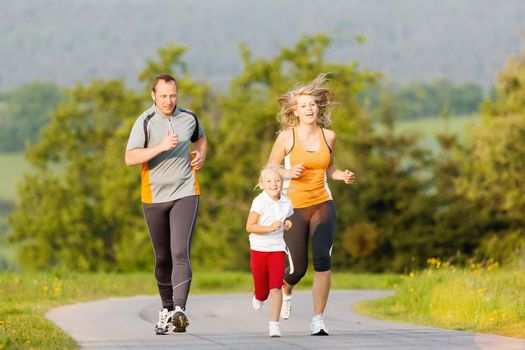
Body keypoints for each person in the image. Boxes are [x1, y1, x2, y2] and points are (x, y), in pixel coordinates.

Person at [266, 73, 355, 336]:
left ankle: (318, 319)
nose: (309, 109)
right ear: (294, 110)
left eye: (313, 105)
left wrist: (341, 175)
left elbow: (329, 168)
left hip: (322, 202)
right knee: (297, 270)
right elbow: (271, 168)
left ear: (318, 108)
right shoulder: (286, 137)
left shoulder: (329, 136)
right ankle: (287, 286)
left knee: (323, 260)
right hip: (293, 207)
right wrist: (287, 173)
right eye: (303, 105)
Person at [125, 73, 207, 334]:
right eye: (163, 96)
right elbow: (130, 157)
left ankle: (180, 309)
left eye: (173, 95)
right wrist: (160, 147)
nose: (169, 101)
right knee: (162, 258)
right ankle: (167, 309)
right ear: (153, 95)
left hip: (185, 191)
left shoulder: (189, 118)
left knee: (180, 252)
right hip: (154, 196)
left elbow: (201, 139)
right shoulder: (145, 121)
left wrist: (200, 155)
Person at [246, 166, 294, 338]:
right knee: (262, 289)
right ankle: (258, 295)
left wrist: (288, 223)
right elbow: (249, 226)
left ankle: (274, 325)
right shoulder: (260, 201)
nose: (274, 184)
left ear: (282, 182)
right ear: (261, 184)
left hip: (277, 248)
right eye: (269, 181)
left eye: (277, 180)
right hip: (259, 248)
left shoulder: (287, 202)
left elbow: (288, 217)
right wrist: (269, 228)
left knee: (276, 287)